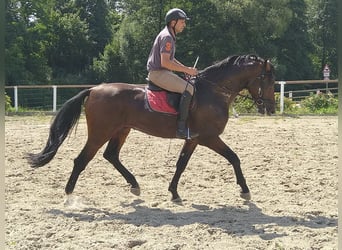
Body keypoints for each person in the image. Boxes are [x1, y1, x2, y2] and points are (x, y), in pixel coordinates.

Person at [147, 8, 199, 139]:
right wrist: (187, 70)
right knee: (189, 88)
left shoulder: (169, 35)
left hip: (162, 72)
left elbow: (171, 59)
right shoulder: (168, 37)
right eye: (182, 22)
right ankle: (181, 129)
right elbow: (165, 62)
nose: (184, 25)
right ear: (173, 23)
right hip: (158, 73)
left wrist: (185, 68)